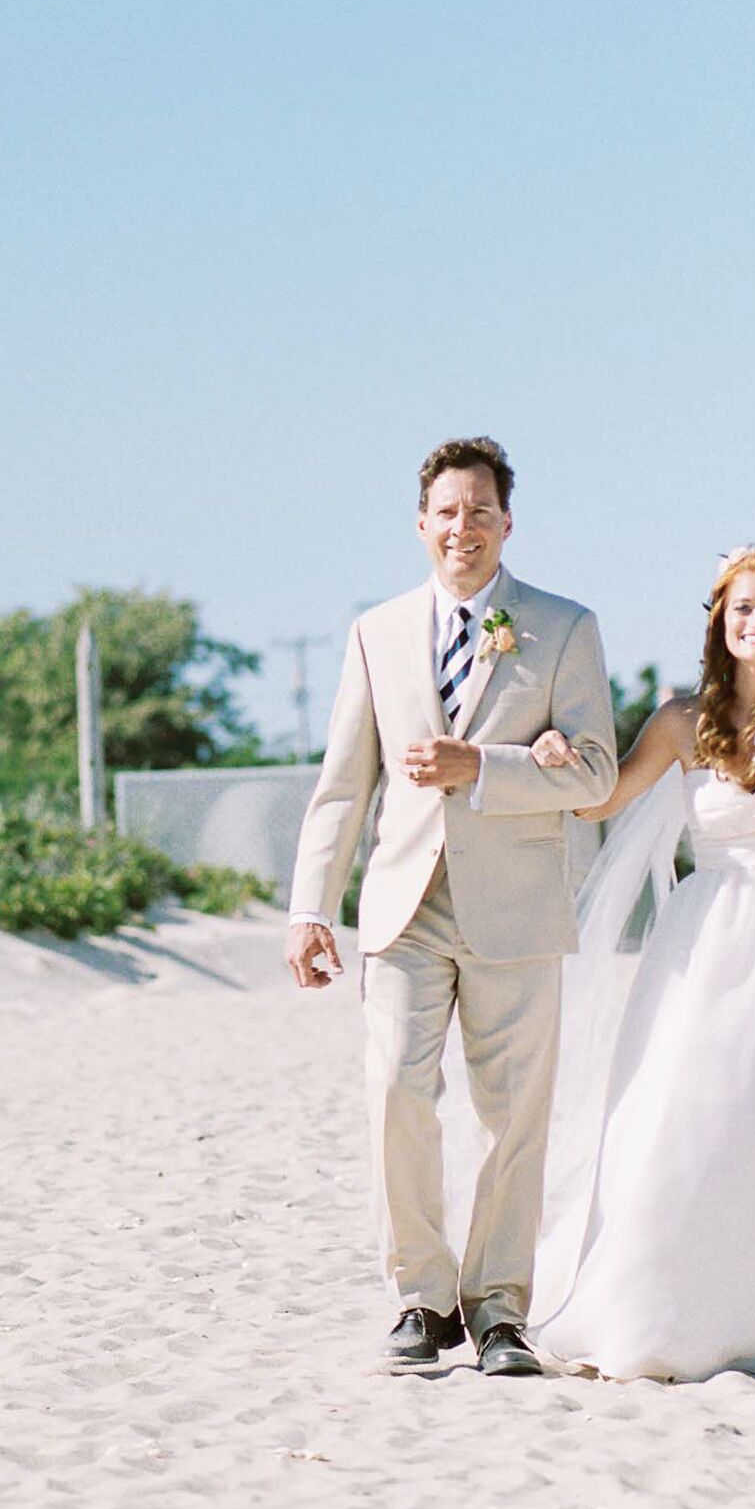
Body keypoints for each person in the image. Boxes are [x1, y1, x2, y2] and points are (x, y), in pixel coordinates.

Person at [284, 437, 616, 1377]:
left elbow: (593, 774)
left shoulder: (565, 626)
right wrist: (310, 907)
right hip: (403, 904)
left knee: (515, 1115)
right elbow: (344, 786)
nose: (461, 526)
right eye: (445, 511)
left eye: (479, 510)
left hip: (514, 907)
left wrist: (487, 768)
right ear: (421, 523)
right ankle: (422, 1297)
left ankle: (501, 1305)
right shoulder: (376, 632)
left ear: (507, 522)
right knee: (394, 1085)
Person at [530, 545, 755, 1384]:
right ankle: (650, 1312)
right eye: (741, 609)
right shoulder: (682, 721)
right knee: (675, 1113)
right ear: (719, 622)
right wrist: (551, 754)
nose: (754, 624)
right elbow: (601, 799)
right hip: (706, 932)